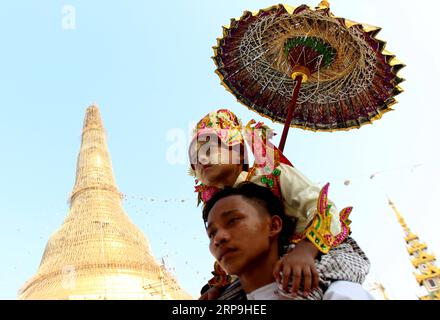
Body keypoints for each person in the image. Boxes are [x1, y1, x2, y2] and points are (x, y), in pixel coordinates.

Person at [189, 109, 369, 299]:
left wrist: (306, 250)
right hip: (266, 268)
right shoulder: (216, 210)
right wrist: (219, 289)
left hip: (320, 251)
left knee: (298, 286)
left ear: (239, 153)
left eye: (210, 149)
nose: (201, 159)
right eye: (195, 158)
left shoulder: (274, 174)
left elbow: (323, 209)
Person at [203, 182, 373, 300]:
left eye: (233, 220)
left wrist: (307, 248)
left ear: (274, 225)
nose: (218, 238)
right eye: (211, 233)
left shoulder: (340, 294)